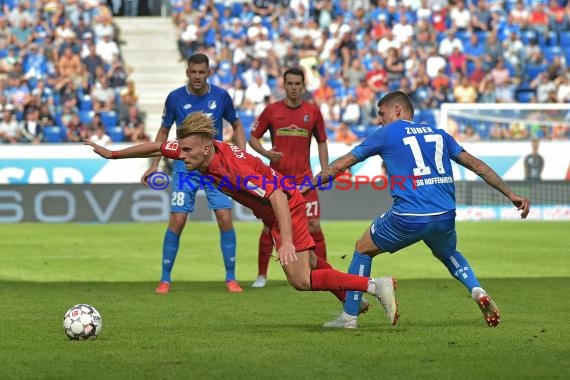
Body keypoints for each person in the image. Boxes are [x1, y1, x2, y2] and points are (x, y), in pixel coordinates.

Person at [84, 111, 399, 327]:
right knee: (314, 264)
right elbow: (156, 146)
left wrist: (286, 240)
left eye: (188, 150)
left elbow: (276, 195)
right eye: (181, 149)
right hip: (277, 210)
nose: (182, 156)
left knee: (301, 280)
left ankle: (375, 285)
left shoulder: (233, 170)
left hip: (285, 206)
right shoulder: (196, 148)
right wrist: (112, 154)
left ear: (206, 147)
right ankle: (350, 303)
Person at [309, 91, 530, 329]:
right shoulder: (439, 133)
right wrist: (511, 194)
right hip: (445, 215)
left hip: (409, 216)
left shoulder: (387, 133)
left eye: (381, 113)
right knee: (448, 253)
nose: (379, 120)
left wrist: (306, 186)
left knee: (362, 249)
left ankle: (349, 317)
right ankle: (476, 289)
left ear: (397, 110)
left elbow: (343, 163)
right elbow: (476, 165)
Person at [142, 53, 246, 294]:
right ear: (187, 72)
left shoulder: (221, 96)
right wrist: (153, 165)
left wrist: (241, 158)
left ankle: (231, 278)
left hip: (215, 167)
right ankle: (165, 279)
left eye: (202, 72)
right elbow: (164, 131)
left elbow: (237, 125)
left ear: (208, 73)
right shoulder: (176, 98)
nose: (197, 76)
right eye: (193, 72)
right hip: (185, 166)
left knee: (225, 219)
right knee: (177, 221)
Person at [248, 67, 329, 288]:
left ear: (303, 85)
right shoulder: (271, 111)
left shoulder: (313, 112)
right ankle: (262, 275)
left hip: (305, 180)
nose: (294, 87)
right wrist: (266, 153)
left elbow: (322, 141)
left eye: (297, 83)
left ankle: (323, 270)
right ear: (284, 85)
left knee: (313, 224)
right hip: (277, 182)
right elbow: (252, 137)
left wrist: (324, 169)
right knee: (268, 227)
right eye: (290, 83)